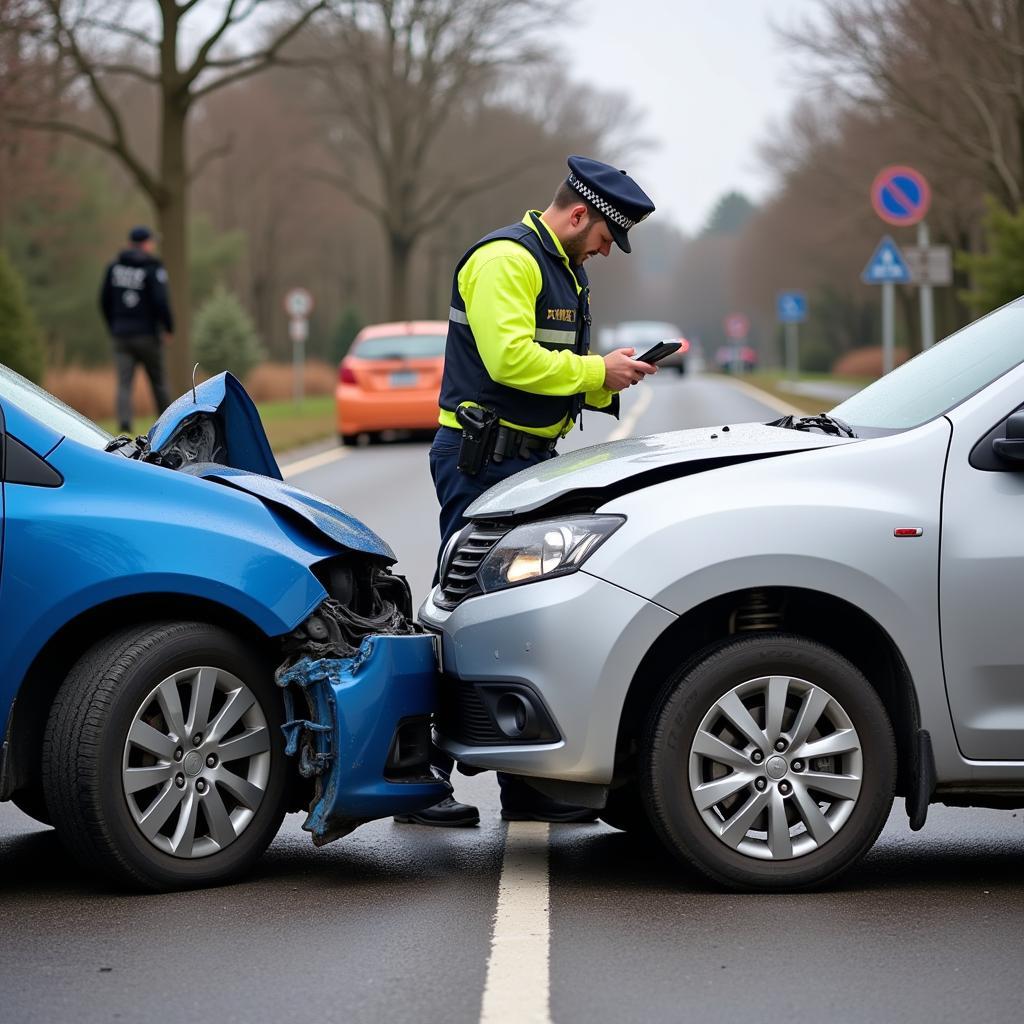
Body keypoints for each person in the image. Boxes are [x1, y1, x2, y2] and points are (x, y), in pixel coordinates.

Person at [395, 155, 657, 828]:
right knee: (460, 615)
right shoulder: (506, 261)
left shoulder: (563, 268)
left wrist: (608, 380)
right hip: (479, 462)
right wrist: (596, 368)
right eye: (606, 236)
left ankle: (528, 785)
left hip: (527, 461)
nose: (607, 249)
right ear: (578, 215)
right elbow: (511, 358)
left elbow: (552, 369)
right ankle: (417, 778)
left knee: (520, 617)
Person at [100, 225, 173, 433]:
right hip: (148, 335)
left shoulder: (114, 267)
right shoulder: (152, 267)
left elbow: (103, 300)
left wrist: (114, 325)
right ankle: (168, 424)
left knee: (124, 384)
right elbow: (161, 301)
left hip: (121, 335)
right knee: (158, 381)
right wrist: (168, 327)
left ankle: (124, 424)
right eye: (151, 241)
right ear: (145, 243)